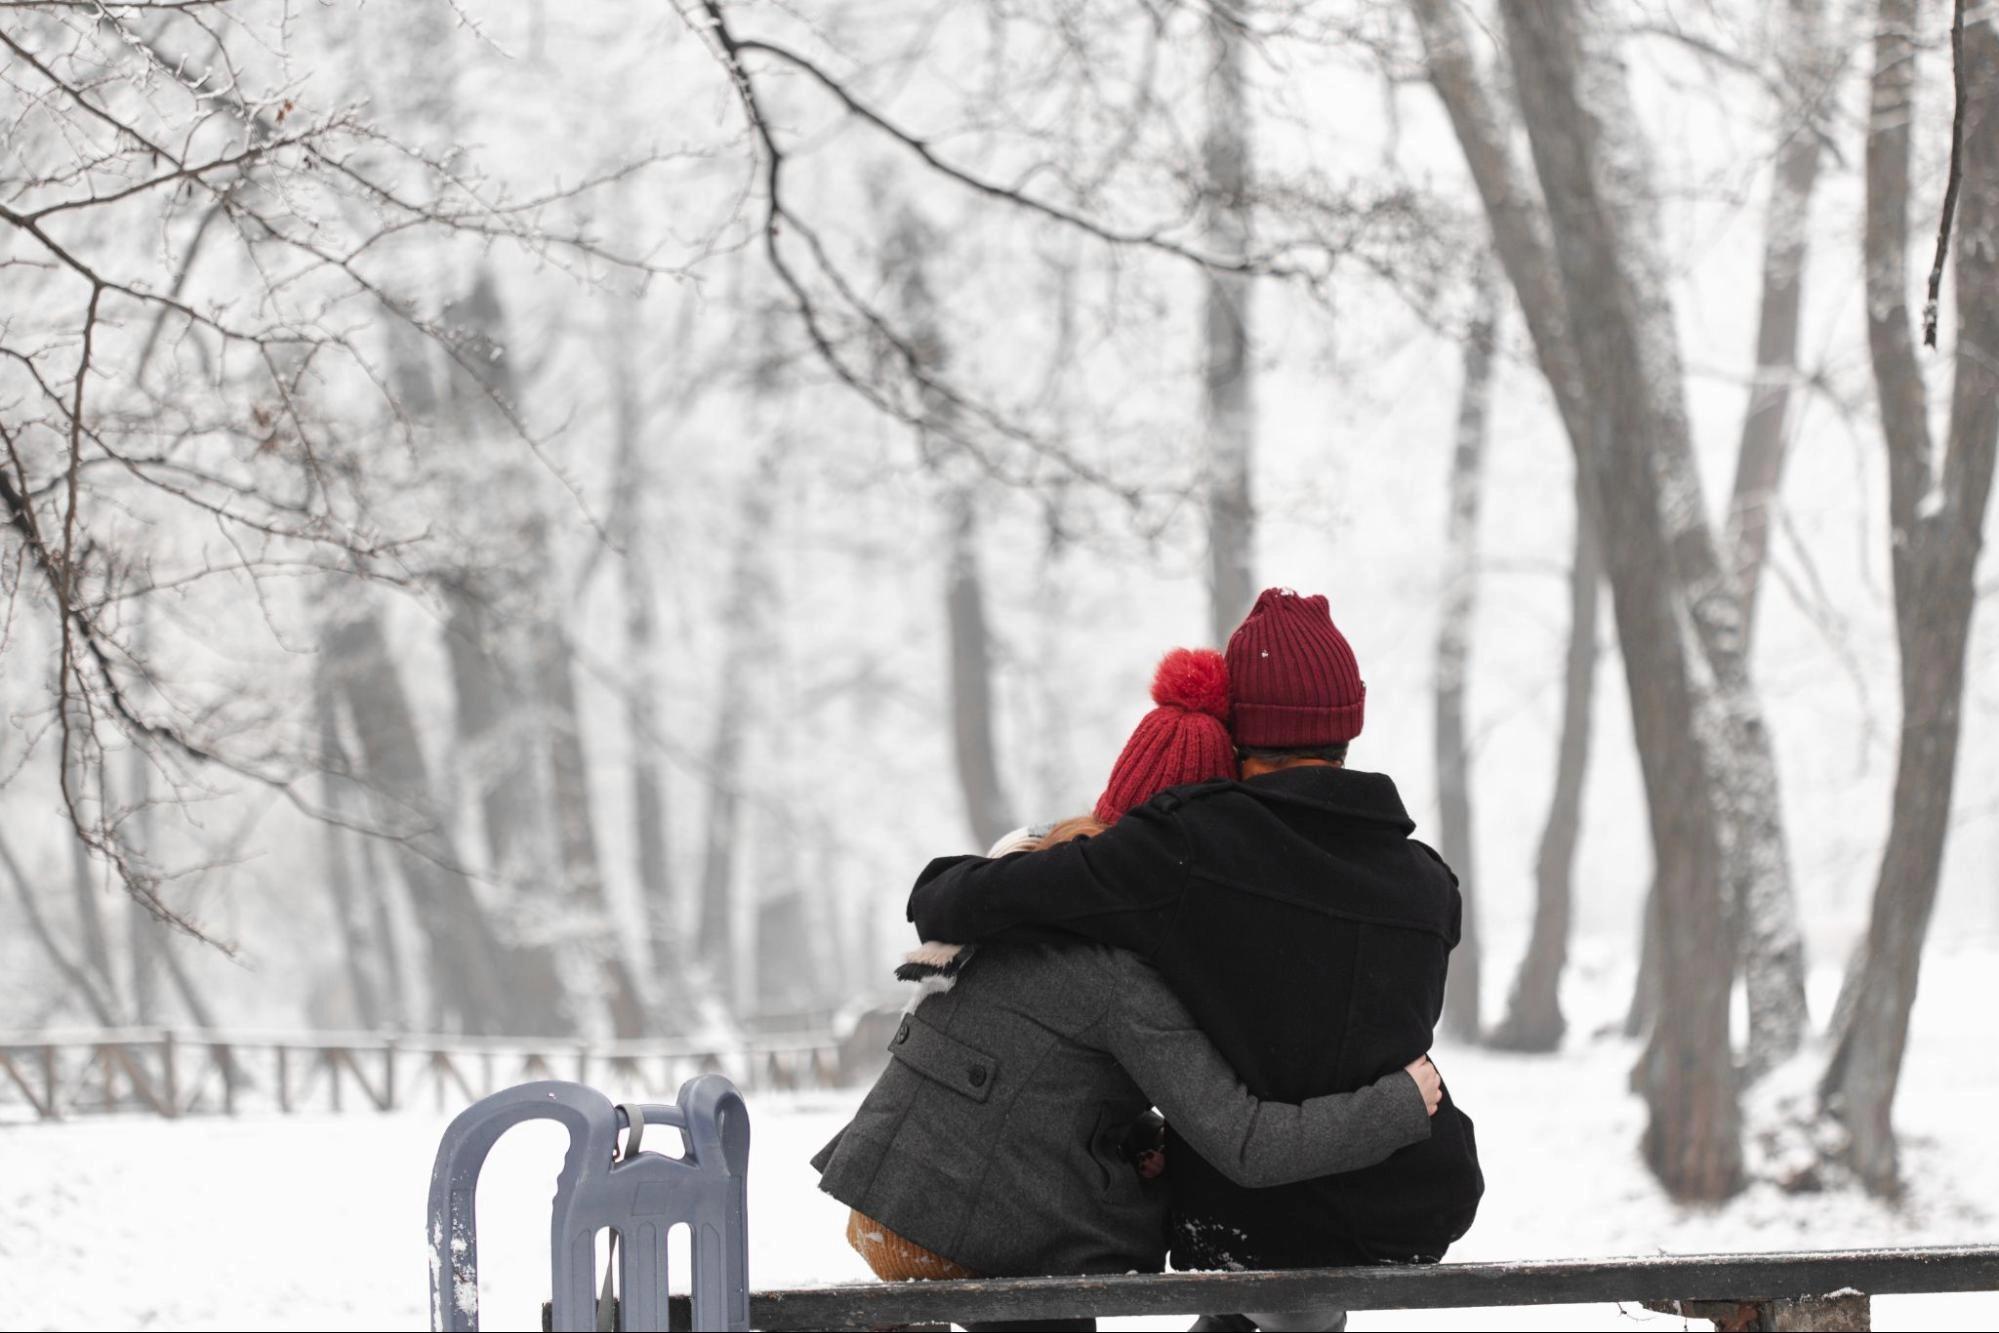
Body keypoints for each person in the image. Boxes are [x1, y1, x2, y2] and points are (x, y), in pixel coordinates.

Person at [813, 648, 1444, 1333]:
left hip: (891, 1196)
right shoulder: (1120, 972)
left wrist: (1141, 1131)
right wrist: (1399, 1103)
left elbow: (1036, 1073)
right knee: (1220, 1243)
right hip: (964, 1225)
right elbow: (1249, 1145)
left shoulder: (1038, 873)